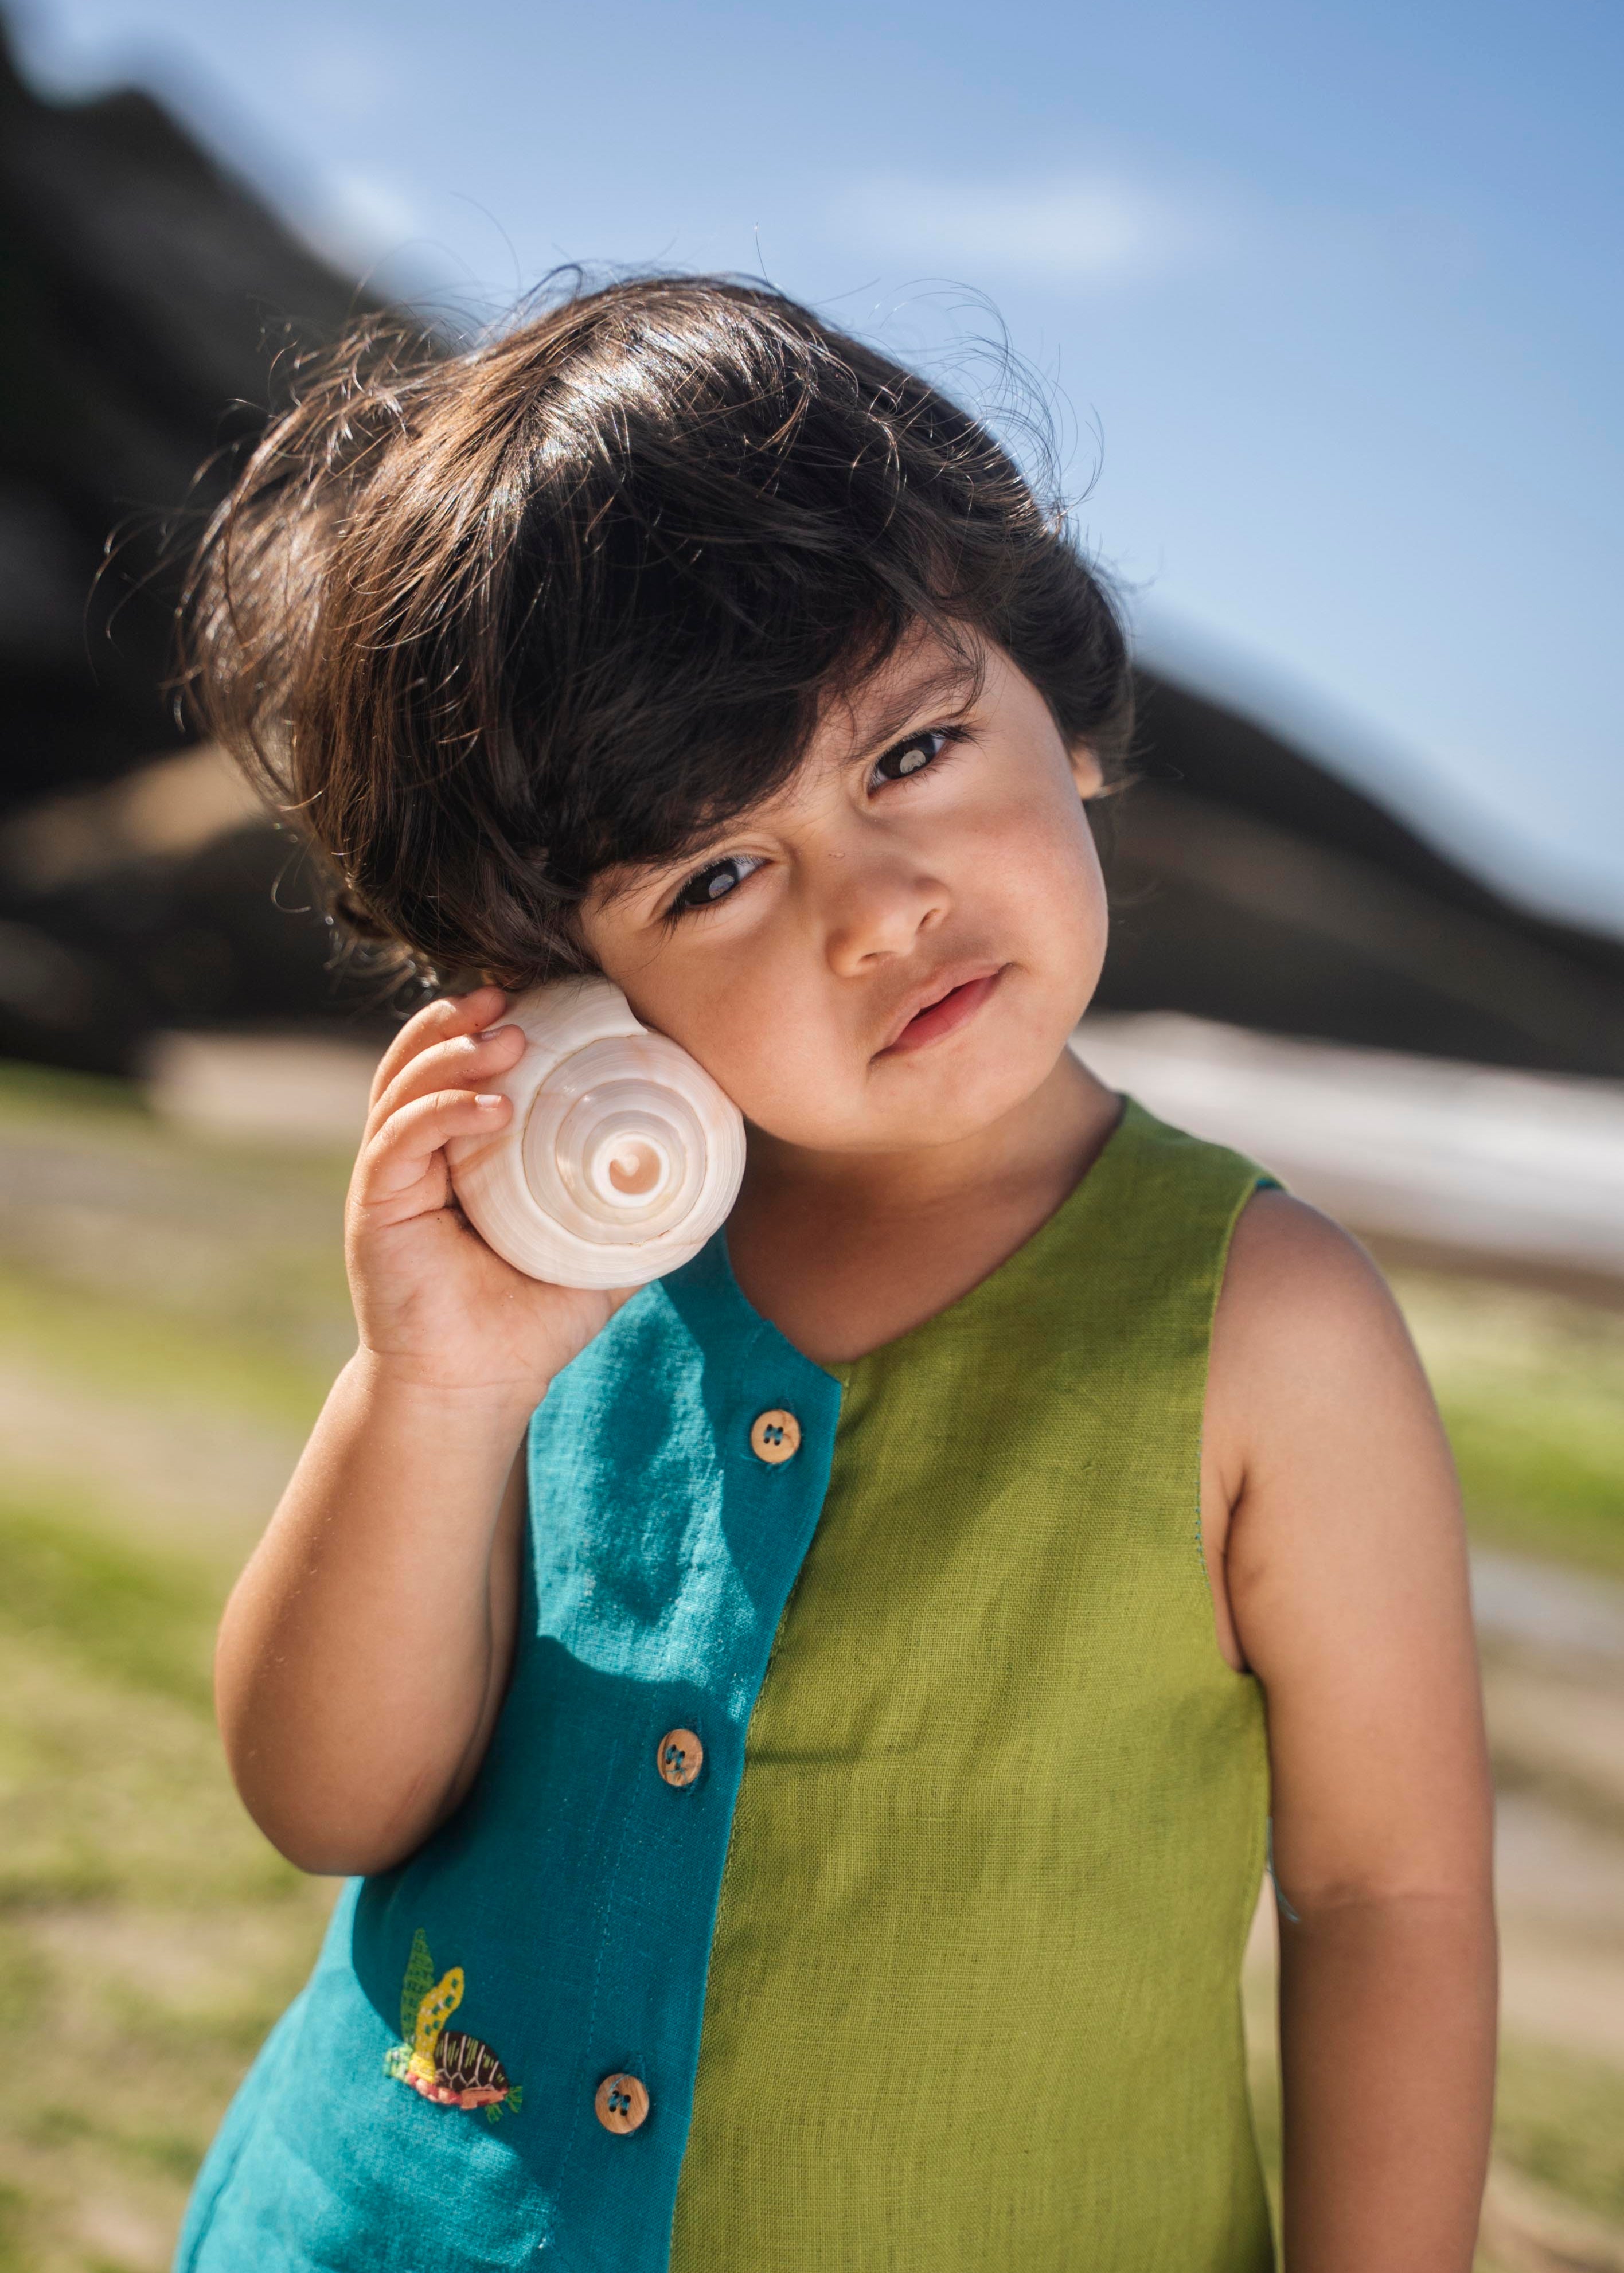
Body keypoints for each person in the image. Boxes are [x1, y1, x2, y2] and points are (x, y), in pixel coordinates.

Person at [174, 276, 1496, 2273]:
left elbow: (1385, 1890)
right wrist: (429, 1388)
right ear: (565, 974)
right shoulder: (555, 1278)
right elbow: (329, 1796)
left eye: (914, 751)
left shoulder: (1264, 1324)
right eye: (716, 872)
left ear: (1060, 690)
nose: (882, 911)